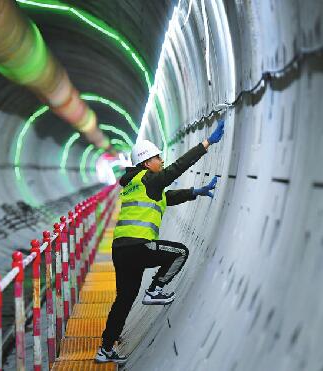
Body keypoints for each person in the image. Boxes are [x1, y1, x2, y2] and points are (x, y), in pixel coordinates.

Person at [95, 120, 225, 364]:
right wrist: (206, 143)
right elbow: (177, 168)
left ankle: (105, 349)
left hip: (120, 250)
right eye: (157, 158)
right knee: (180, 253)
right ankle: (155, 289)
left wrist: (196, 192)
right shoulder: (148, 178)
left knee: (124, 300)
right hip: (138, 246)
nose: (162, 161)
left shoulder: (135, 184)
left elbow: (166, 198)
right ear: (147, 163)